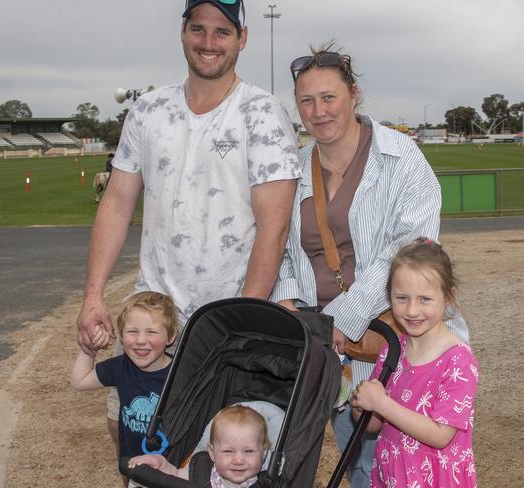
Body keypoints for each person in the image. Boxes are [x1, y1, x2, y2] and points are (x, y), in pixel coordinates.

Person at [77, 0, 300, 449]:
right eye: (199, 29)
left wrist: (241, 322)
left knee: (219, 452)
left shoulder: (262, 114)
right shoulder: (148, 111)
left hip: (227, 322)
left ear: (243, 37)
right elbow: (117, 204)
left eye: (222, 32)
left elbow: (272, 228)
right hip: (155, 316)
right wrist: (93, 295)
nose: (209, 43)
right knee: (131, 435)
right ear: (183, 31)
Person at [270, 43, 469, 487]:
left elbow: (411, 249)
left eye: (328, 97)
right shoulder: (294, 167)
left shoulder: (401, 157)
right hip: (313, 340)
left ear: (353, 94)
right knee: (305, 458)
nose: (318, 111)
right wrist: (284, 301)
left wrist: (346, 316)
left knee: (381, 466)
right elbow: (279, 246)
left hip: (384, 339)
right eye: (306, 100)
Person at [350, 238, 479, 487]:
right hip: (393, 473)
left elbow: (440, 435)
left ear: (449, 297)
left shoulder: (459, 361)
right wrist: (362, 409)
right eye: (401, 298)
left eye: (424, 299)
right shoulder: (391, 352)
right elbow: (375, 425)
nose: (411, 310)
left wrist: (382, 404)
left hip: (435, 478)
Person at [70, 291, 177, 461]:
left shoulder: (180, 373)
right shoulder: (120, 366)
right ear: (121, 336)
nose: (141, 340)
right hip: (132, 463)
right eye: (132, 332)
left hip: (169, 467)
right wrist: (91, 348)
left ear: (170, 337)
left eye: (151, 332)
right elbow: (79, 381)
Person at [129, 404, 270, 487]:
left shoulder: (266, 483)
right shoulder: (201, 467)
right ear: (212, 453)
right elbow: (176, 477)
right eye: (228, 451)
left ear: (263, 452)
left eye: (249, 451)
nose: (239, 460)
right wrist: (161, 464)